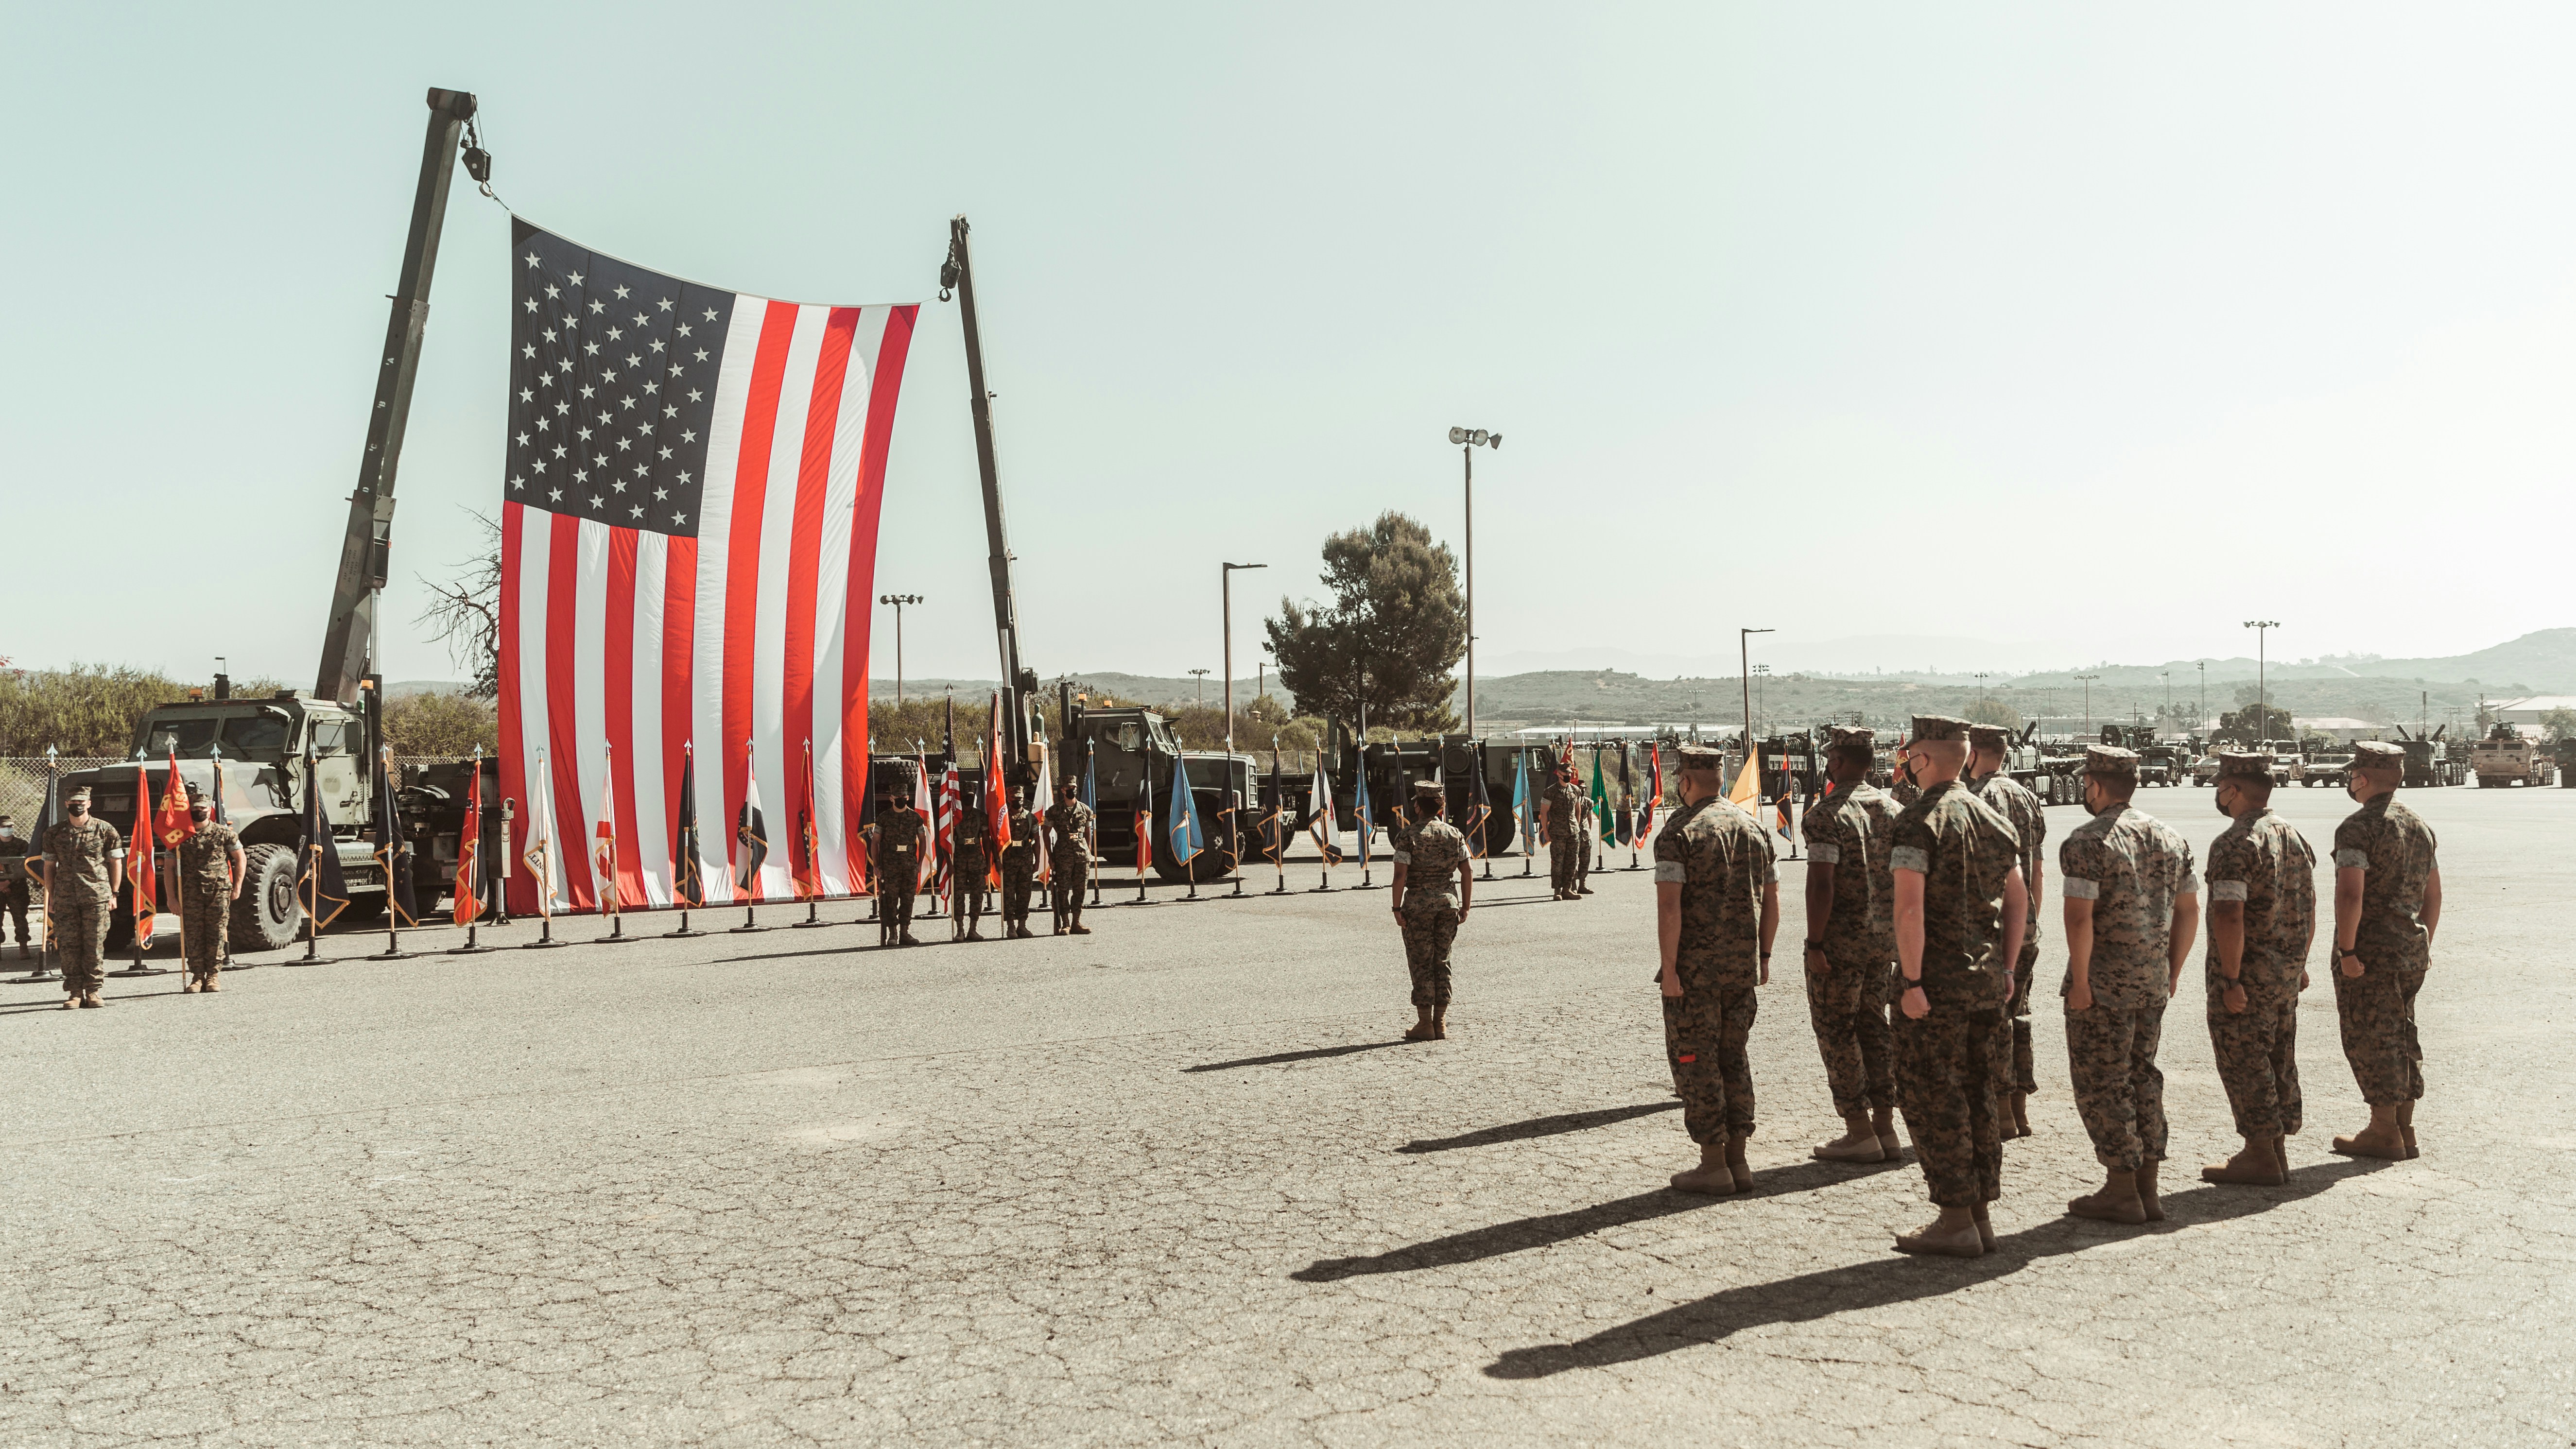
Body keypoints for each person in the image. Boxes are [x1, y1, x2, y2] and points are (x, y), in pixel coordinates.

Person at [1887, 716, 2027, 1257]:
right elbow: (2018, 900)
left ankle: (1955, 1219)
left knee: (1933, 1097)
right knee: (1979, 1096)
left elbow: (1909, 909)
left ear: (1921, 759)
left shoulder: (1918, 820)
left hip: (1936, 988)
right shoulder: (1993, 818)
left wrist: (1912, 980)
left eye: (1910, 755)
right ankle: (1979, 1215)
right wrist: (2008, 969)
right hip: (1987, 985)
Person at [2059, 744, 2200, 1225]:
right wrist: (2172, 971)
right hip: (2152, 981)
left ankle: (2121, 1189)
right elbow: (2188, 911)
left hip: (2102, 985)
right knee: (2142, 1075)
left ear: (2095, 785)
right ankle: (2147, 1188)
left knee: (2103, 1081)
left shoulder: (2087, 841)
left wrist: (2080, 981)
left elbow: (2079, 919)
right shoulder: (2170, 837)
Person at [1654, 743, 1781, 1195]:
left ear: (1686, 780)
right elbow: (1772, 902)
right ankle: (1738, 1162)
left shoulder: (1679, 832)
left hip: (1694, 974)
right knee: (1734, 1058)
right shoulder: (1754, 827)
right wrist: (1763, 958)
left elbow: (1669, 908)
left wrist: (1670, 970)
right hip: (1741, 970)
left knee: (1695, 1061)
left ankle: (1712, 1165)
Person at [2199, 751, 2317, 1186]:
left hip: (2247, 975)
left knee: (2245, 1059)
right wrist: (2300, 963)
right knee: (2277, 1057)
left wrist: (2230, 978)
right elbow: (2308, 905)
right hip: (2283, 973)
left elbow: (2229, 914)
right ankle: (2275, 1148)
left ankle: (2259, 1153)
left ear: (2231, 790)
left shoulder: (2235, 843)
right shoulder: (2291, 835)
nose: (2218, 795)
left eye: (2219, 787)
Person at [2327, 738, 2441, 1160]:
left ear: (2361, 778)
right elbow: (2433, 895)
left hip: (2370, 953)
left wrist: (2347, 951)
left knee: (2371, 1039)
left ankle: (2382, 1131)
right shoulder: (2419, 826)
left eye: (2352, 776)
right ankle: (2403, 1129)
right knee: (2402, 1034)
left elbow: (2349, 894)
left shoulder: (2358, 827)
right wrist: (2422, 941)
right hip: (2410, 950)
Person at [1800, 727, 1903, 1163]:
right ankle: (1885, 1128)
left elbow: (1821, 884)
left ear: (1837, 762)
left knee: (1837, 1032)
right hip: (1883, 943)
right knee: (1874, 1028)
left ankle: (1859, 1131)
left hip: (1839, 946)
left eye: (1829, 759)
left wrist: (1814, 942)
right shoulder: (1895, 810)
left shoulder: (1825, 816)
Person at [1966, 724, 2048, 1137]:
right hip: (2026, 926)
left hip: (1994, 928)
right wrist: (2031, 922)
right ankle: (2018, 1109)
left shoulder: (1976, 799)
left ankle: (1999, 1113)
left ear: (1972, 754)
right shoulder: (2026, 796)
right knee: (2019, 1015)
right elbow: (2037, 871)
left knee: (1991, 1021)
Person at [1389, 780, 1473, 1040]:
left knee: (1421, 962)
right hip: (1448, 905)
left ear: (1417, 807)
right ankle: (1441, 1023)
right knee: (1442, 960)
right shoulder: (1455, 834)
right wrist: (1466, 906)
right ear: (1441, 807)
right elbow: (1468, 871)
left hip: (1418, 907)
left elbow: (1400, 876)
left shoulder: (1407, 836)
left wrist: (1396, 908)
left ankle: (1425, 1023)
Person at [41, 788, 126, 1009]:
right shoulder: (54, 833)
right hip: (65, 898)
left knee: (94, 945)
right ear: (66, 804)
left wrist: (114, 893)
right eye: (73, 802)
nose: (77, 805)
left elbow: (116, 862)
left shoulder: (105, 829)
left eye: (81, 802)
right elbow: (49, 866)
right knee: (68, 946)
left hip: (96, 896)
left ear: (89, 803)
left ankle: (94, 991)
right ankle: (75, 993)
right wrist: (52, 896)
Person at [174, 785, 244, 993]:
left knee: (216, 933)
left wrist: (237, 886)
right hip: (190, 893)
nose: (199, 811)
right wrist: (171, 897)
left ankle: (213, 976)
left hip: (218, 892)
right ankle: (197, 977)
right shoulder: (179, 836)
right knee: (194, 935)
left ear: (209, 809)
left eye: (203, 808)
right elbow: (170, 867)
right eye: (196, 808)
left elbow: (240, 859)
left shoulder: (223, 833)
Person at [873, 779, 926, 948]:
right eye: (898, 797)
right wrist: (876, 865)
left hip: (909, 865)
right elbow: (875, 842)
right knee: (890, 899)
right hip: (890, 865)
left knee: (908, 899)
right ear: (892, 798)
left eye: (904, 797)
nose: (901, 799)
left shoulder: (916, 818)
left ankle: (905, 932)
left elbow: (923, 840)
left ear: (908, 798)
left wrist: (920, 863)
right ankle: (893, 933)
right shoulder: (883, 818)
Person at [1045, 780, 1095, 936]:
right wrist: (1050, 856)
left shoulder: (1085, 809)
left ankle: (1076, 922)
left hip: (1081, 855)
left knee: (1080, 889)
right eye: (1068, 788)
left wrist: (1088, 850)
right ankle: (1065, 923)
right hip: (1062, 855)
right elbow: (1045, 833)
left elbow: (1088, 832)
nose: (1072, 790)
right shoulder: (1054, 811)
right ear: (1063, 790)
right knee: (1063, 890)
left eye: (1074, 788)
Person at [999, 788, 1040, 940]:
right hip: (1008, 861)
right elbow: (997, 840)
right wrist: (997, 861)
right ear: (1009, 800)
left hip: (1026, 860)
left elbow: (1037, 840)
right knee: (1009, 894)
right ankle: (1011, 926)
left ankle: (1022, 925)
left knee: (1025, 893)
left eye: (1020, 798)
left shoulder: (1031, 818)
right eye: (1015, 799)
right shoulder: (1003, 818)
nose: (1018, 801)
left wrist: (1037, 861)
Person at [1544, 763, 1583, 900]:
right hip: (1558, 833)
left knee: (1572, 862)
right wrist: (1546, 833)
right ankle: (1557, 891)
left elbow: (1578, 810)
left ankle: (1567, 889)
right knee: (1558, 862)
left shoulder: (1576, 790)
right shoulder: (1550, 791)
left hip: (1573, 832)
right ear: (1559, 774)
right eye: (1566, 774)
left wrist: (1577, 827)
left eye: (1569, 774)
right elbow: (1544, 813)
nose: (1568, 776)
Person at [951, 805, 990, 941]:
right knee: (958, 895)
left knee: (977, 895)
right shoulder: (953, 815)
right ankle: (960, 930)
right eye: (965, 797)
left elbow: (986, 839)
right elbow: (946, 840)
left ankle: (973, 929)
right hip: (959, 862)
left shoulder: (980, 816)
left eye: (971, 796)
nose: (968, 799)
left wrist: (989, 862)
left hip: (977, 861)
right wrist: (949, 863)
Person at [0, 813, 29, 961]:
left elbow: (25, 867)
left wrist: (8, 883)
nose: (8, 829)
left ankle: (23, 946)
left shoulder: (22, 844)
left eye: (11, 826)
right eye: (5, 827)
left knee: (20, 917)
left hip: (17, 888)